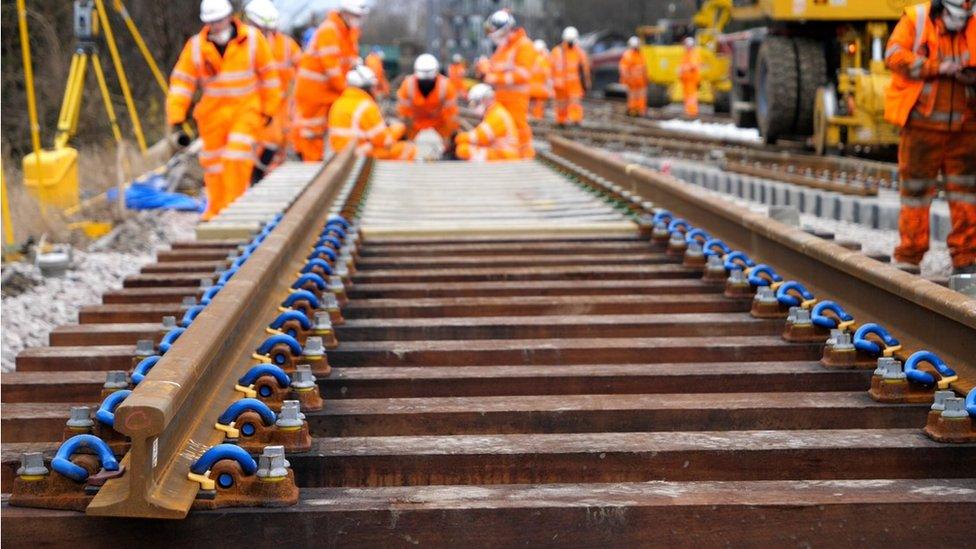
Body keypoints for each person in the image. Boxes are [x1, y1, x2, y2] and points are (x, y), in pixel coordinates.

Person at [884, 0, 976, 275]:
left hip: (965, 128)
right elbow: (894, 56)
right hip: (921, 128)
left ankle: (967, 257)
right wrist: (935, 67)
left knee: (967, 195)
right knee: (915, 194)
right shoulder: (917, 19)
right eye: (955, 17)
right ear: (941, 8)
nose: (960, 23)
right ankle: (909, 257)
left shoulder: (973, 22)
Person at [167, 0, 280, 220]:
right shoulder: (197, 47)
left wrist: (268, 109)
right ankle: (216, 210)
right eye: (212, 22)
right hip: (213, 116)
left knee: (236, 157)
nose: (217, 26)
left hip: (245, 110)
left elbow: (269, 77)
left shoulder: (252, 40)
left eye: (219, 20)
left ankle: (234, 209)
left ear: (230, 17)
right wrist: (177, 118)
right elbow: (182, 83)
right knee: (214, 165)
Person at [293, 0, 367, 162]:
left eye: (359, 16)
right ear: (344, 13)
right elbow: (332, 68)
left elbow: (350, 61)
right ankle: (309, 164)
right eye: (355, 15)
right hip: (314, 91)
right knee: (312, 132)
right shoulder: (330, 30)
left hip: (329, 90)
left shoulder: (349, 32)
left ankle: (316, 161)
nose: (357, 19)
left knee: (325, 129)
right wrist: (347, 91)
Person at [245, 0, 301, 182]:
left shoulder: (285, 44)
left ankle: (263, 178)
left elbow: (302, 67)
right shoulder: (243, 45)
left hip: (279, 106)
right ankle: (255, 178)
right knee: (259, 144)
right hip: (252, 105)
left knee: (274, 143)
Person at [328, 65, 417, 160]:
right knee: (408, 148)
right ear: (366, 87)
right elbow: (384, 141)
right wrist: (399, 128)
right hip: (359, 154)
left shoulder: (338, 103)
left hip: (340, 154)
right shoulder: (366, 106)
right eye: (373, 87)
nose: (375, 90)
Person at [483, 10, 537, 158]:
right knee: (504, 128)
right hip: (501, 96)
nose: (491, 34)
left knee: (518, 127)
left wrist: (494, 78)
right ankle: (511, 155)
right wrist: (485, 67)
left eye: (492, 30)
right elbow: (494, 65)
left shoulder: (524, 45)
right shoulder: (504, 46)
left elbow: (523, 74)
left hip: (516, 97)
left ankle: (525, 156)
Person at [396, 54, 459, 140]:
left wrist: (449, 139)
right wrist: (406, 138)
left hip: (439, 124)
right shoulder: (407, 86)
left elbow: (451, 116)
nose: (426, 84)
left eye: (428, 81)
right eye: (423, 81)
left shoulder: (446, 86)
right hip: (415, 125)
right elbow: (404, 115)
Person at [455, 83, 520, 161]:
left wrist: (458, 137)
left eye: (475, 103)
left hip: (506, 155)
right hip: (502, 153)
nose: (474, 107)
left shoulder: (496, 115)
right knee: (464, 147)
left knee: (463, 150)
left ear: (484, 99)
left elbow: (480, 137)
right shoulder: (495, 112)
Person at [551, 26, 591, 126]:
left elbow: (584, 69)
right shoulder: (557, 52)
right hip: (560, 84)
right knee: (561, 104)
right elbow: (550, 67)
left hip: (574, 84)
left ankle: (575, 120)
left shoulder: (579, 53)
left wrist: (586, 82)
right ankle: (561, 121)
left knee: (575, 103)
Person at [619, 36, 648, 117]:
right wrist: (626, 79)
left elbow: (644, 68)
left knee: (640, 96)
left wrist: (646, 78)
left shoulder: (639, 55)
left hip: (640, 81)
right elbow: (624, 69)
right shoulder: (628, 55)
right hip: (633, 81)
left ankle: (640, 110)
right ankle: (633, 110)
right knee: (633, 96)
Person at [529, 39, 554, 120]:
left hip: (529, 88)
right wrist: (550, 90)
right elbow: (548, 76)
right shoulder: (544, 60)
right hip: (540, 89)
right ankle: (537, 118)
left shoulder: (530, 59)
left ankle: (531, 117)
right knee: (539, 105)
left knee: (530, 104)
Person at [678, 36, 701, 118]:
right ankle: (689, 111)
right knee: (687, 96)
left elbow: (693, 66)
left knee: (691, 96)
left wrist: (683, 69)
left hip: (691, 80)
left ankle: (692, 112)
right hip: (686, 80)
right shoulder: (687, 54)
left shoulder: (693, 54)